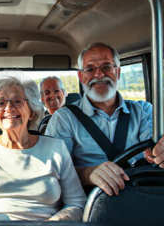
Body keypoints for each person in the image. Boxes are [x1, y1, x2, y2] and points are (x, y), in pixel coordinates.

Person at [0, 72, 86, 223]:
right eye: (1, 103)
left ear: (31, 112)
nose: (9, 108)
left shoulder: (57, 148)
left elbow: (76, 203)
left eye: (17, 101)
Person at [45, 42, 164, 196]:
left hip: (144, 193)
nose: (99, 75)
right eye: (90, 69)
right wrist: (89, 174)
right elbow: (54, 170)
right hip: (94, 200)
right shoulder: (63, 119)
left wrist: (157, 150)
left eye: (106, 67)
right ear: (81, 76)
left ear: (118, 72)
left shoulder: (143, 110)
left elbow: (153, 139)